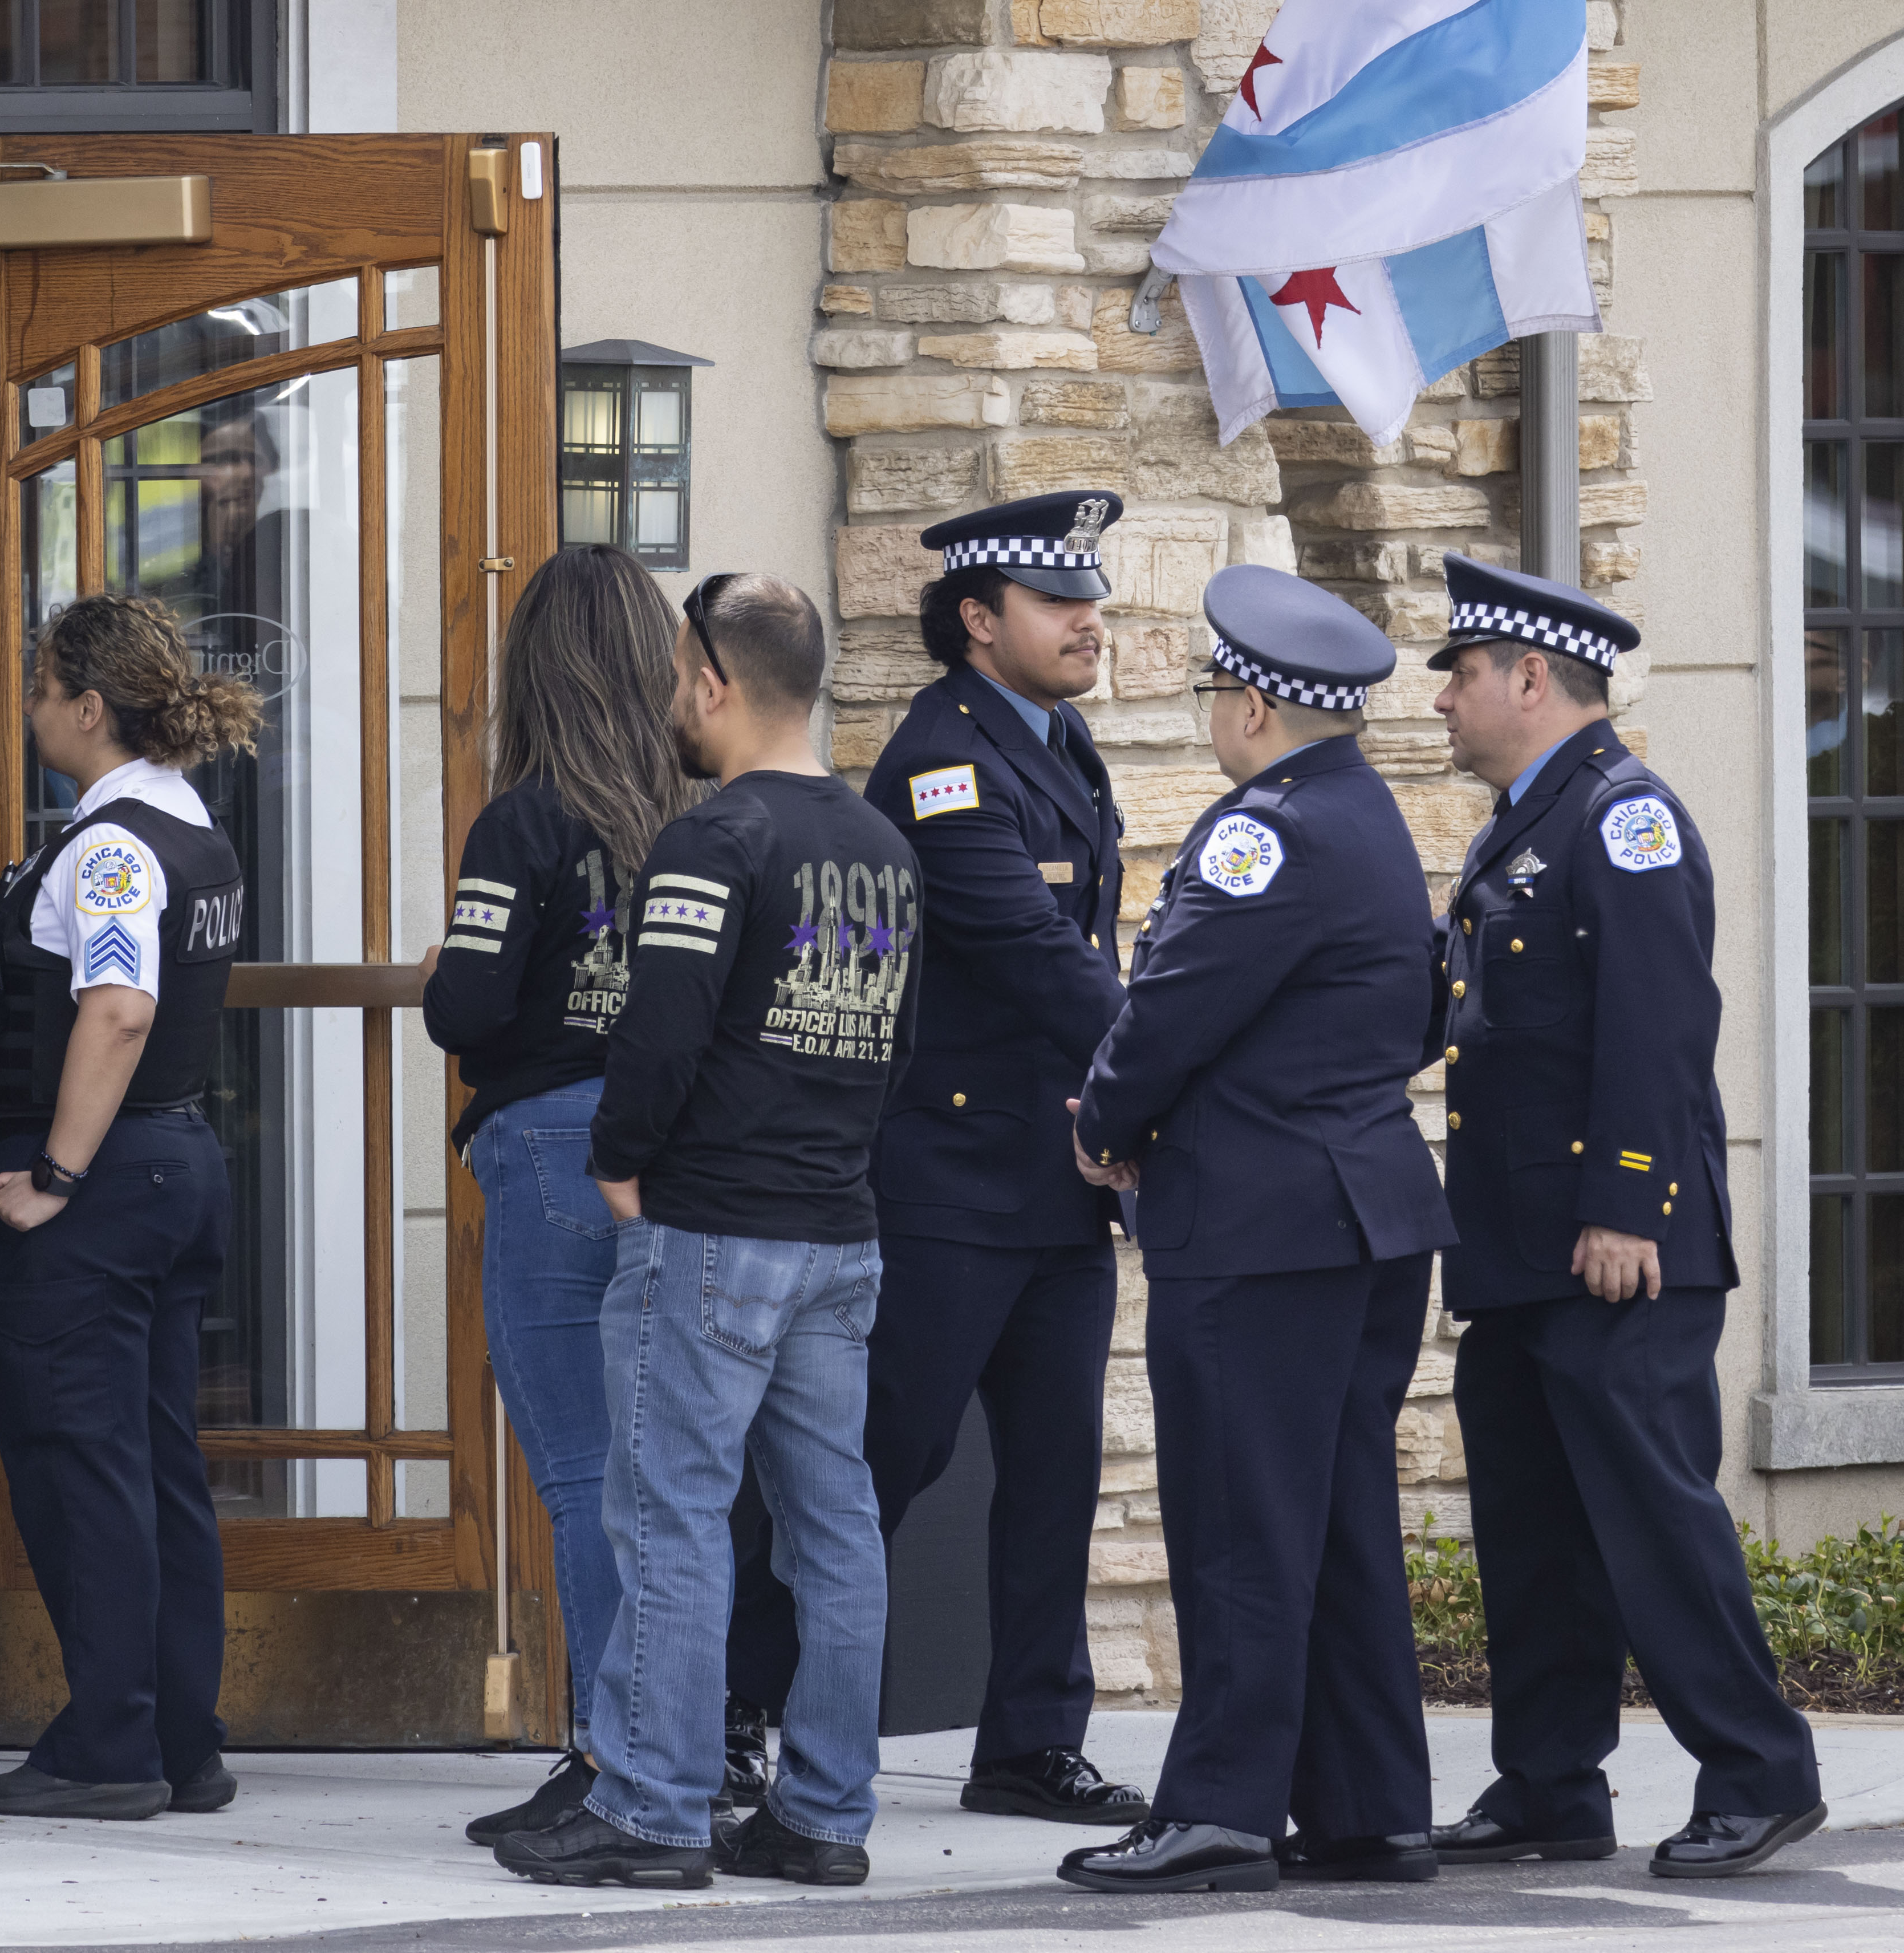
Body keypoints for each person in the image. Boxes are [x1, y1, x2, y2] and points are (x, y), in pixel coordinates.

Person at [493, 574, 916, 1893]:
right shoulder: (883, 847)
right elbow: (894, 1049)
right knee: (831, 1526)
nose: (671, 699)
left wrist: (621, 1165)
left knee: (667, 1513)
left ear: (717, 684)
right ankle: (824, 1816)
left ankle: (655, 1810)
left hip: (717, 1228)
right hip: (837, 1230)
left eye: (681, 676)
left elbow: (659, 1033)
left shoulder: (713, 839)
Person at [725, 490, 1143, 1828]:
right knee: (865, 1464)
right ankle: (740, 1709)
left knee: (1054, 1477)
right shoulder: (940, 760)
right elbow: (1028, 952)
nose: (1091, 619)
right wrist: (1171, 1051)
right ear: (978, 620)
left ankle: (1026, 1741)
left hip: (1056, 1182)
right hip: (951, 1183)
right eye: (1058, 601)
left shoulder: (1061, 741)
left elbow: (1087, 947)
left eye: (1091, 595)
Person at [1421, 555, 1826, 1878]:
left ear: (1528, 678)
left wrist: (1625, 1207)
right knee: (1533, 1530)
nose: (1442, 702)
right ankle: (1548, 1785)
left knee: (1651, 1518)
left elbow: (1658, 1025)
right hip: (1522, 1251)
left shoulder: (1622, 817)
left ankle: (1759, 1773)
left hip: (1613, 1248)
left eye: (1461, 677)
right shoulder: (1522, 821)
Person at [1057, 569, 1455, 1895]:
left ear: (1249, 704)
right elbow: (1417, 1019)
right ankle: (1368, 1809)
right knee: (1333, 1521)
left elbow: (1168, 1005)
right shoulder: (1369, 815)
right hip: (1363, 1216)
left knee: (1239, 1520)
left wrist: (1103, 1118)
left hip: (1260, 1224)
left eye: (1215, 692)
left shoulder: (1262, 831)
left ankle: (1220, 1809)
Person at [0, 592, 261, 1821]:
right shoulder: (197, 831)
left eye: (42, 689)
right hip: (178, 1162)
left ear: (89, 706)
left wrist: (57, 1175)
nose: (31, 707)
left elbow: (119, 1007)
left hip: (105, 1179)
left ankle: (108, 1743)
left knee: (81, 1463)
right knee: (156, 1461)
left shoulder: (114, 847)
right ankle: (179, 1732)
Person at [420, 545, 692, 1846]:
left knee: (583, 1475)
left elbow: (465, 1009)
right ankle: (694, 1744)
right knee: (672, 1477)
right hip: (683, 1164)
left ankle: (606, 1759)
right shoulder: (701, 814)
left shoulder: (523, 820)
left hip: (549, 1152)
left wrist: (442, 971)